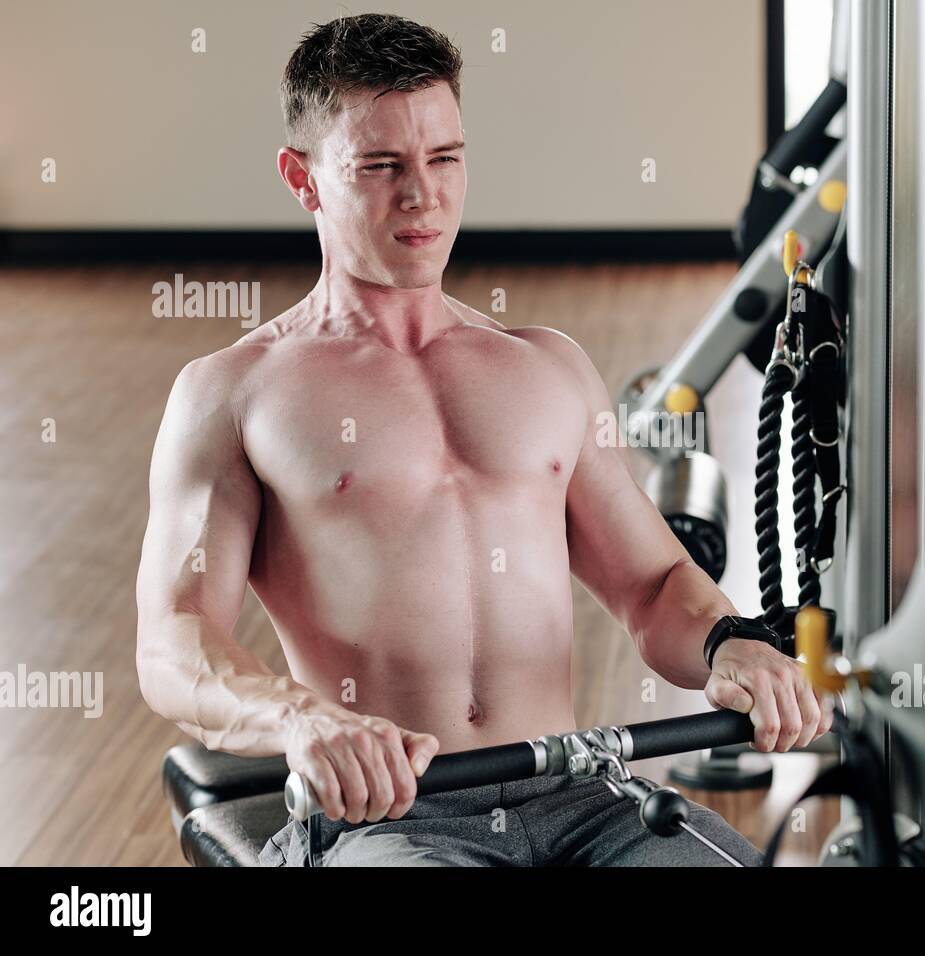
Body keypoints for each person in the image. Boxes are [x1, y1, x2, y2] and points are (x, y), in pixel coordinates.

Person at [135, 13, 830, 867]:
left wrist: (733, 644)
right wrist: (301, 717)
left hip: (589, 796)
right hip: (392, 820)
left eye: (445, 158)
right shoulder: (233, 394)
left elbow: (655, 588)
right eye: (381, 166)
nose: (422, 195)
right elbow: (173, 642)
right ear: (303, 178)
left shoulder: (546, 368)